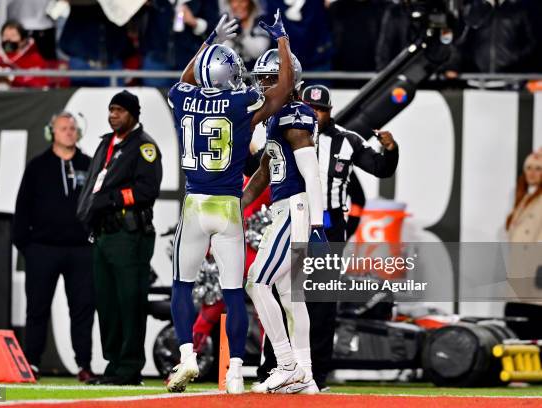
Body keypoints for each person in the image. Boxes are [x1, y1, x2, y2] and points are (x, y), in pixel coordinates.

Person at [166, 10, 295, 394]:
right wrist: (282, 39)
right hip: (227, 206)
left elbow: (187, 78)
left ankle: (188, 355)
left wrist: (207, 42)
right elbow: (284, 87)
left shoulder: (181, 96)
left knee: (180, 285)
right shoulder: (240, 104)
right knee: (234, 293)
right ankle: (235, 371)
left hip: (194, 205)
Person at [301, 83, 399, 390]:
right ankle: (274, 368)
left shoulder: (347, 140)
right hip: (293, 219)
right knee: (283, 296)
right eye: (310, 109)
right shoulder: (287, 135)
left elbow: (380, 169)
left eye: (320, 110)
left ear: (329, 113)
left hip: (329, 227)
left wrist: (390, 149)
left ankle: (316, 375)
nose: (315, 115)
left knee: (322, 301)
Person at [240, 48, 327, 394]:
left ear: (288, 82)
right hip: (288, 207)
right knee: (291, 296)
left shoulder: (295, 115)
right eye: (261, 78)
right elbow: (264, 170)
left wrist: (318, 225)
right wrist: (240, 204)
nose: (262, 85)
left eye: (269, 78)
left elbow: (311, 174)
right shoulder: (276, 116)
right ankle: (305, 375)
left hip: (296, 208)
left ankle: (287, 363)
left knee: (257, 281)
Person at [77, 90, 162, 385]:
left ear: (133, 114)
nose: (113, 115)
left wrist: (113, 199)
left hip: (128, 235)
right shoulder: (106, 143)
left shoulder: (144, 147)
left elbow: (147, 190)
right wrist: (87, 212)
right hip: (103, 234)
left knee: (129, 302)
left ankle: (129, 368)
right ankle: (114, 365)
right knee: (107, 303)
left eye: (119, 110)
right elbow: (92, 185)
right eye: (111, 110)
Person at [12, 112, 94, 382]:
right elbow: (22, 209)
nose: (69, 132)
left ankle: (84, 365)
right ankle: (31, 363)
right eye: (63, 128)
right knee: (37, 309)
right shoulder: (37, 166)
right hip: (42, 250)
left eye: (72, 128)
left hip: (81, 251)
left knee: (82, 309)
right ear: (52, 132)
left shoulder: (89, 164)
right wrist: (27, 246)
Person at [504, 148, 542, 339]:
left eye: (538, 168)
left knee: (530, 325)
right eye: (528, 168)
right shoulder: (525, 199)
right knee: (516, 323)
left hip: (535, 274)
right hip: (520, 271)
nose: (532, 173)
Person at [0, 20, 49, 90]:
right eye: (5, 35)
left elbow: (39, 82)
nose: (8, 39)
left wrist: (12, 79)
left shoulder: (34, 58)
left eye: (13, 36)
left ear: (23, 40)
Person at [224, 0, 270, 70]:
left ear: (251, 3)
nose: (239, 5)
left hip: (255, 73)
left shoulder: (261, 23)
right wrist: (230, 35)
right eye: (235, 1)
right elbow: (220, 53)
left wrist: (242, 36)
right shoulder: (224, 23)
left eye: (243, 1)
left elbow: (258, 52)